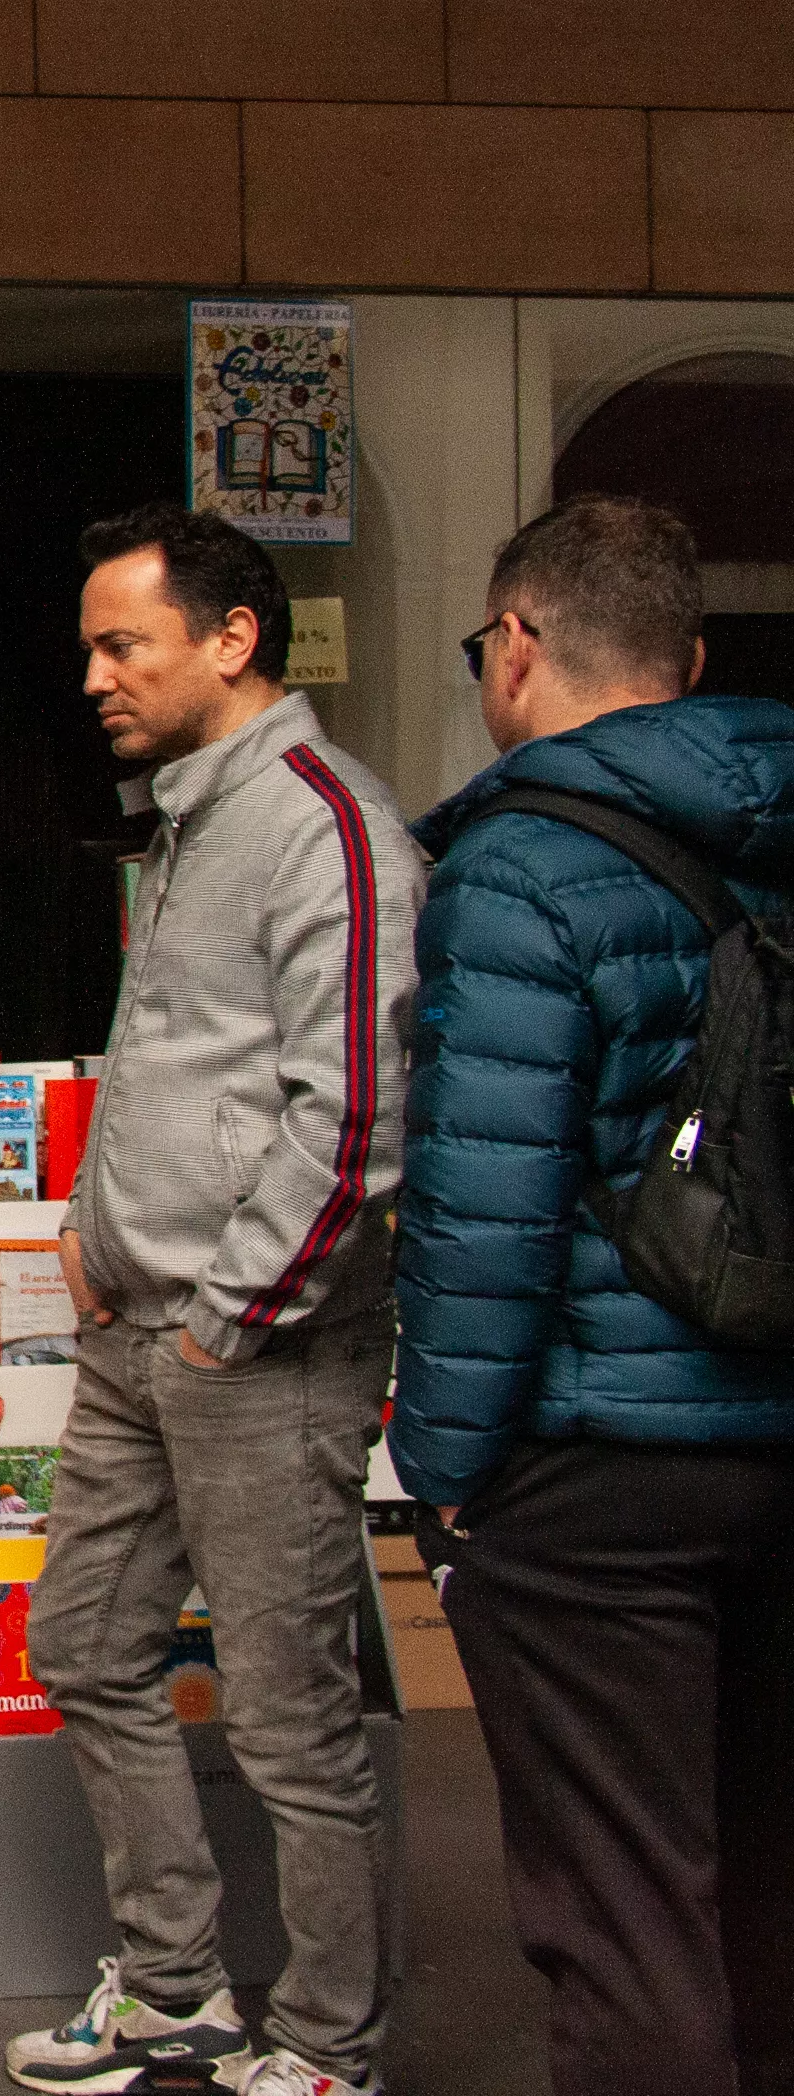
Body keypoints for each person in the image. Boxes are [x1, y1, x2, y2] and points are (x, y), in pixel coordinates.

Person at [393, 496, 794, 2096]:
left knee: (625, 1911)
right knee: (760, 1889)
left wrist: (450, 1475)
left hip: (594, 1459)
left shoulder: (518, 869)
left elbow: (487, 1213)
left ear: (518, 645)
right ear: (690, 666)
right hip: (776, 1436)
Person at [18, 509, 419, 2096]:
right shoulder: (189, 813)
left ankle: (327, 2042)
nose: (100, 678)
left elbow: (358, 1112)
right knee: (86, 1646)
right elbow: (198, 1067)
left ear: (233, 641)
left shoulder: (328, 821)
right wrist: (100, 1229)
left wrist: (225, 1313)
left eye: (127, 645)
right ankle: (176, 1983)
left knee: (289, 1717)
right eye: (93, 651)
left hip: (260, 1348)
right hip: (140, 1333)